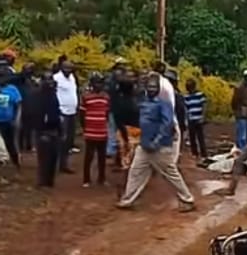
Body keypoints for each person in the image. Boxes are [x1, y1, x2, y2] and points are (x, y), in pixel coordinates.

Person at [117, 72, 195, 211]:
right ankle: (127, 199)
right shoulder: (144, 102)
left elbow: (167, 124)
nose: (152, 89)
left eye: (155, 87)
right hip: (145, 145)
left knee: (170, 174)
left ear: (159, 88)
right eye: (150, 87)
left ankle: (187, 199)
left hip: (160, 147)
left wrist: (157, 141)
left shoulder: (164, 104)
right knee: (136, 172)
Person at [80, 73, 110, 186]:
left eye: (101, 83)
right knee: (89, 156)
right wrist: (85, 128)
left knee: (102, 157)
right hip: (90, 131)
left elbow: (106, 113)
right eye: (96, 83)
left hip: (102, 131)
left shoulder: (106, 97)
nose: (99, 85)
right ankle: (86, 179)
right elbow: (81, 115)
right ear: (91, 84)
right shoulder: (86, 97)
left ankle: (101, 178)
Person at [34, 72, 63, 188]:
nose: (50, 82)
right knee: (44, 158)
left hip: (54, 129)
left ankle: (50, 181)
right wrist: (40, 130)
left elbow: (56, 113)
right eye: (47, 80)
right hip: (43, 131)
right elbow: (35, 114)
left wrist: (60, 129)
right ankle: (42, 181)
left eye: (51, 79)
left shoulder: (53, 94)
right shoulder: (38, 96)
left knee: (53, 157)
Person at [54, 58, 79, 174]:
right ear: (61, 68)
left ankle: (64, 164)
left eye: (70, 68)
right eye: (66, 68)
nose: (68, 71)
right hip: (62, 112)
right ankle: (57, 163)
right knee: (61, 139)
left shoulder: (72, 78)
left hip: (72, 112)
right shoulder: (56, 78)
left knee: (69, 140)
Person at [16, 63, 40, 153]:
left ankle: (29, 145)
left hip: (32, 104)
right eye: (28, 69)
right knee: (21, 126)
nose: (29, 71)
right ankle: (20, 145)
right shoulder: (20, 80)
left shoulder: (33, 81)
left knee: (30, 126)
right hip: (22, 103)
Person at [184, 77, 208, 160]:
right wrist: (187, 119)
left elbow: (204, 106)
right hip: (191, 119)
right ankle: (195, 153)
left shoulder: (200, 94)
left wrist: (203, 117)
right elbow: (186, 109)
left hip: (199, 118)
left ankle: (204, 154)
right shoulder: (186, 96)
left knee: (200, 137)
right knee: (192, 137)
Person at [231, 69, 247, 148]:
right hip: (241, 113)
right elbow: (234, 101)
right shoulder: (240, 88)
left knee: (244, 134)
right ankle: (242, 151)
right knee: (242, 135)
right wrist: (236, 111)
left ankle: (242, 150)